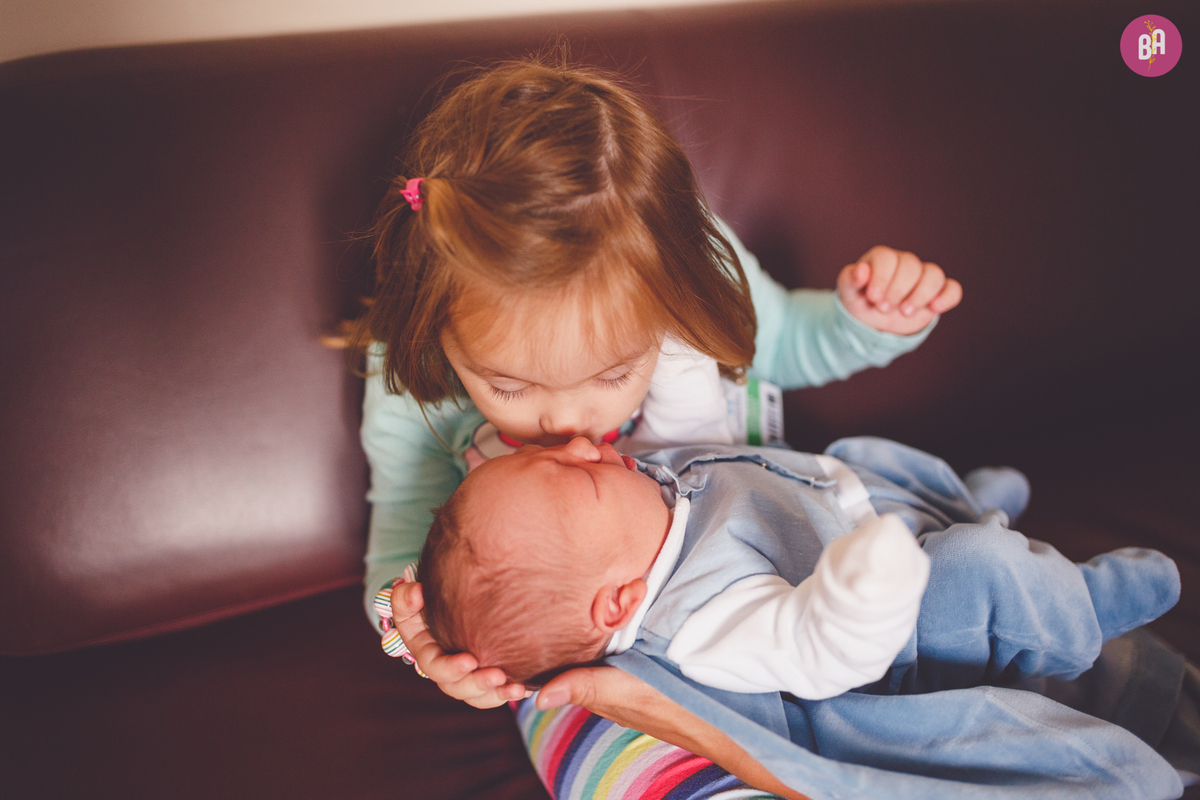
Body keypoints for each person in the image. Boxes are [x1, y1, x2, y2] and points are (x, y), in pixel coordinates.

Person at [351, 54, 961, 797]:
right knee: (589, 726)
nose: (568, 422)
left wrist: (867, 319)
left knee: (929, 622)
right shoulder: (413, 376)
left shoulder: (685, 262)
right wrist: (417, 637)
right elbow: (396, 562)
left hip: (779, 543)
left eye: (612, 376)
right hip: (615, 659)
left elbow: (787, 345)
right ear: (432, 325)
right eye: (507, 385)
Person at [416, 436, 1183, 798]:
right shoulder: (700, 622)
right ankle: (1085, 606)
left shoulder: (637, 515)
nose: (587, 443)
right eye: (581, 476)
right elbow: (812, 646)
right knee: (976, 567)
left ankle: (964, 506)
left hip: (853, 502)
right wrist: (859, 588)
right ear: (617, 601)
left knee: (928, 500)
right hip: (894, 619)